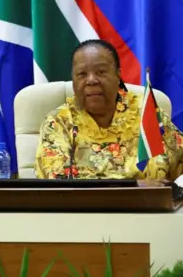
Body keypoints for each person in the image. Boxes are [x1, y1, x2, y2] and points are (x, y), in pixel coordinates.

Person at [35, 39, 183, 181]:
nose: (91, 80)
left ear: (118, 75)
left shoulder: (146, 113)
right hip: (81, 207)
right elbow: (57, 181)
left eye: (100, 72)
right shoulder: (59, 122)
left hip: (151, 206)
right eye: (82, 74)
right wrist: (135, 186)